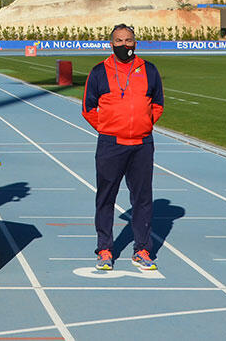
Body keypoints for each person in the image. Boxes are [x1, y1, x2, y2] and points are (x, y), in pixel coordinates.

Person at [81, 24, 164, 272]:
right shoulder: (99, 72)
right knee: (106, 197)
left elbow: (158, 104)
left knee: (143, 199)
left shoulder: (148, 70)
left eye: (128, 40)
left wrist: (143, 126)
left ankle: (142, 249)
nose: (124, 45)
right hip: (110, 144)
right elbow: (88, 108)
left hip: (141, 145)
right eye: (119, 40)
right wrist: (108, 128)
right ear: (111, 43)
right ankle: (105, 249)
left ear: (135, 43)